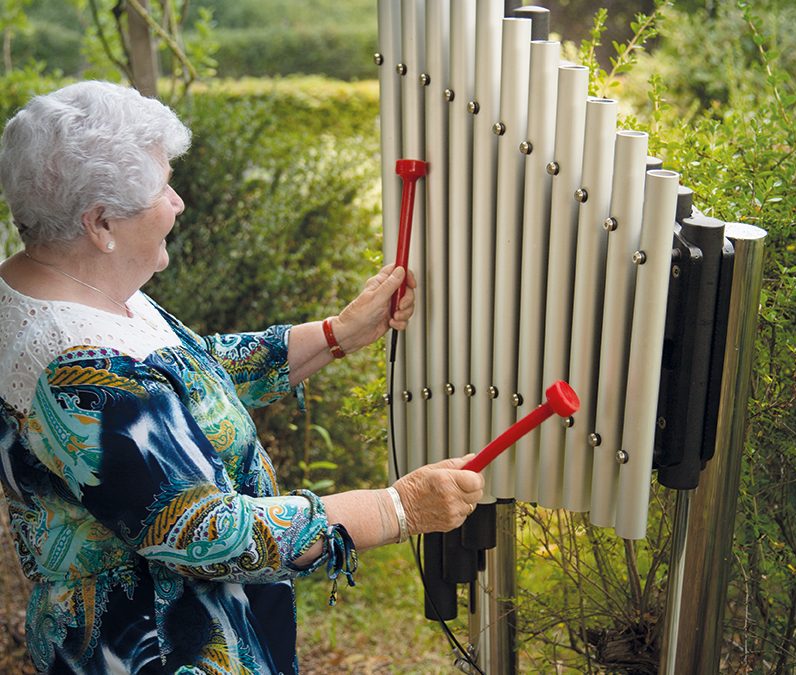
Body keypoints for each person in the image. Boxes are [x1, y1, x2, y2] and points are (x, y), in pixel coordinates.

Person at [0, 81, 484, 674]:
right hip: (161, 649)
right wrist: (397, 509)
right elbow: (207, 533)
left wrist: (338, 333)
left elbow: (185, 379)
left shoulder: (63, 289)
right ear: (100, 223)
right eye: (161, 189)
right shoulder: (77, 366)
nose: (177, 202)